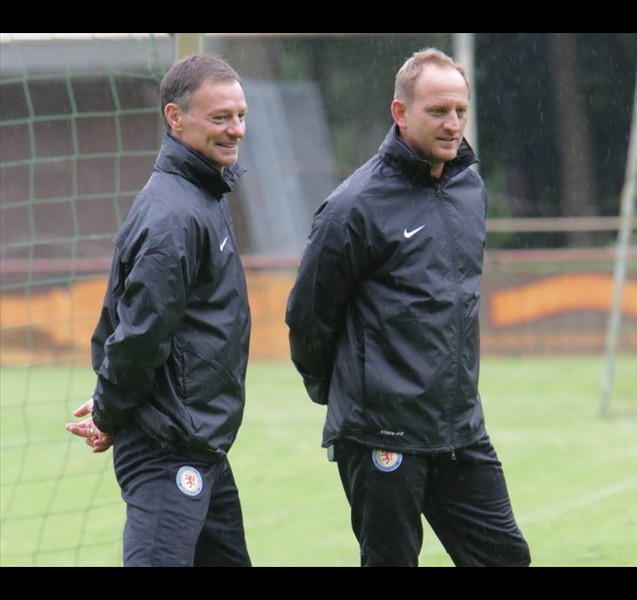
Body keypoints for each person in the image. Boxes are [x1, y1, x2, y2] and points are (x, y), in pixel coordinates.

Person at [285, 48, 531, 567]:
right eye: (437, 111)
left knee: (506, 558)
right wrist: (343, 393)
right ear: (400, 112)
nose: (452, 124)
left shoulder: (469, 189)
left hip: (459, 428)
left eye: (459, 111)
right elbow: (308, 317)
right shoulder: (353, 207)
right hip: (382, 433)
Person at [66, 53, 252, 567]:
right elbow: (140, 334)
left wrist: (110, 404)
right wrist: (108, 411)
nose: (236, 129)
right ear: (176, 117)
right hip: (168, 447)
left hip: (199, 444)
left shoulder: (203, 193)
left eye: (240, 116)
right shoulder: (174, 214)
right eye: (220, 117)